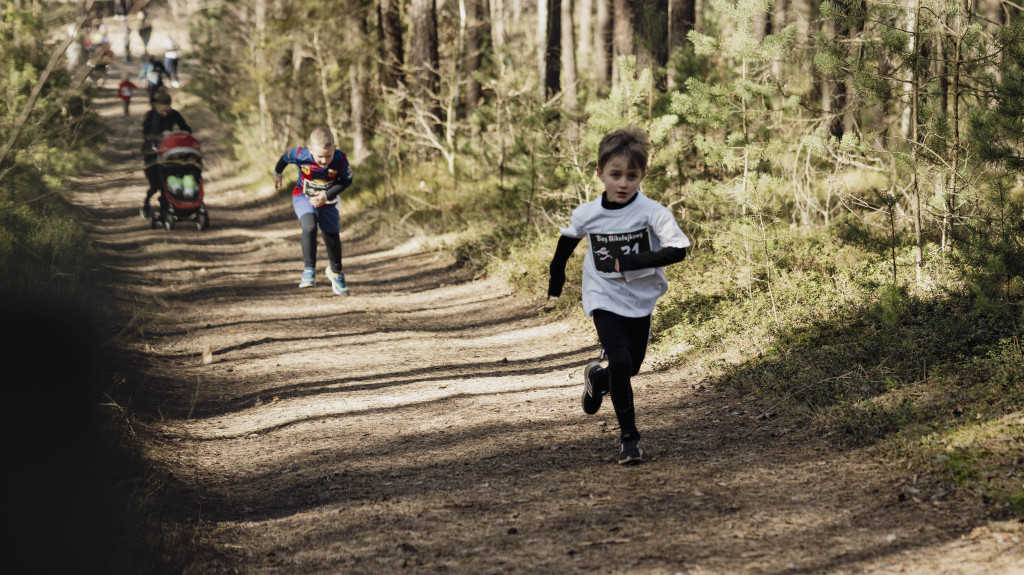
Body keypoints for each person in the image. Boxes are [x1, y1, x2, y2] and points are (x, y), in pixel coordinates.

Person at [547, 126, 691, 465]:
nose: (623, 183)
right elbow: (566, 243)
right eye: (615, 175)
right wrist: (556, 279)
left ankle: (598, 377)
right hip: (603, 296)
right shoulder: (588, 213)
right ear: (600, 174)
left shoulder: (652, 212)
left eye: (631, 176)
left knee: (631, 367)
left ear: (642, 175)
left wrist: (630, 261)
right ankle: (630, 439)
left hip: (639, 299)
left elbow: (678, 249)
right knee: (622, 363)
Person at [272, 127, 354, 295]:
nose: (324, 161)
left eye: (328, 156)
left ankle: (336, 272)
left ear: (335, 148)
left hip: (328, 200)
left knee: (331, 236)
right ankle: (309, 270)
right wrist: (277, 173)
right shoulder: (300, 154)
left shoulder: (340, 159)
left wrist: (327, 195)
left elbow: (347, 181)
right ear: (310, 149)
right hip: (303, 196)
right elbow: (285, 158)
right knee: (309, 226)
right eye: (319, 156)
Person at [140, 89, 192, 218]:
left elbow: (186, 128)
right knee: (155, 185)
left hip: (169, 152)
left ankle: (167, 209)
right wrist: (159, 136)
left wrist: (179, 135)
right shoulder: (150, 116)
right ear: (157, 106)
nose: (165, 113)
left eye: (167, 110)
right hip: (152, 154)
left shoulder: (174, 114)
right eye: (162, 110)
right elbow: (145, 135)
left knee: (168, 182)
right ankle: (147, 202)